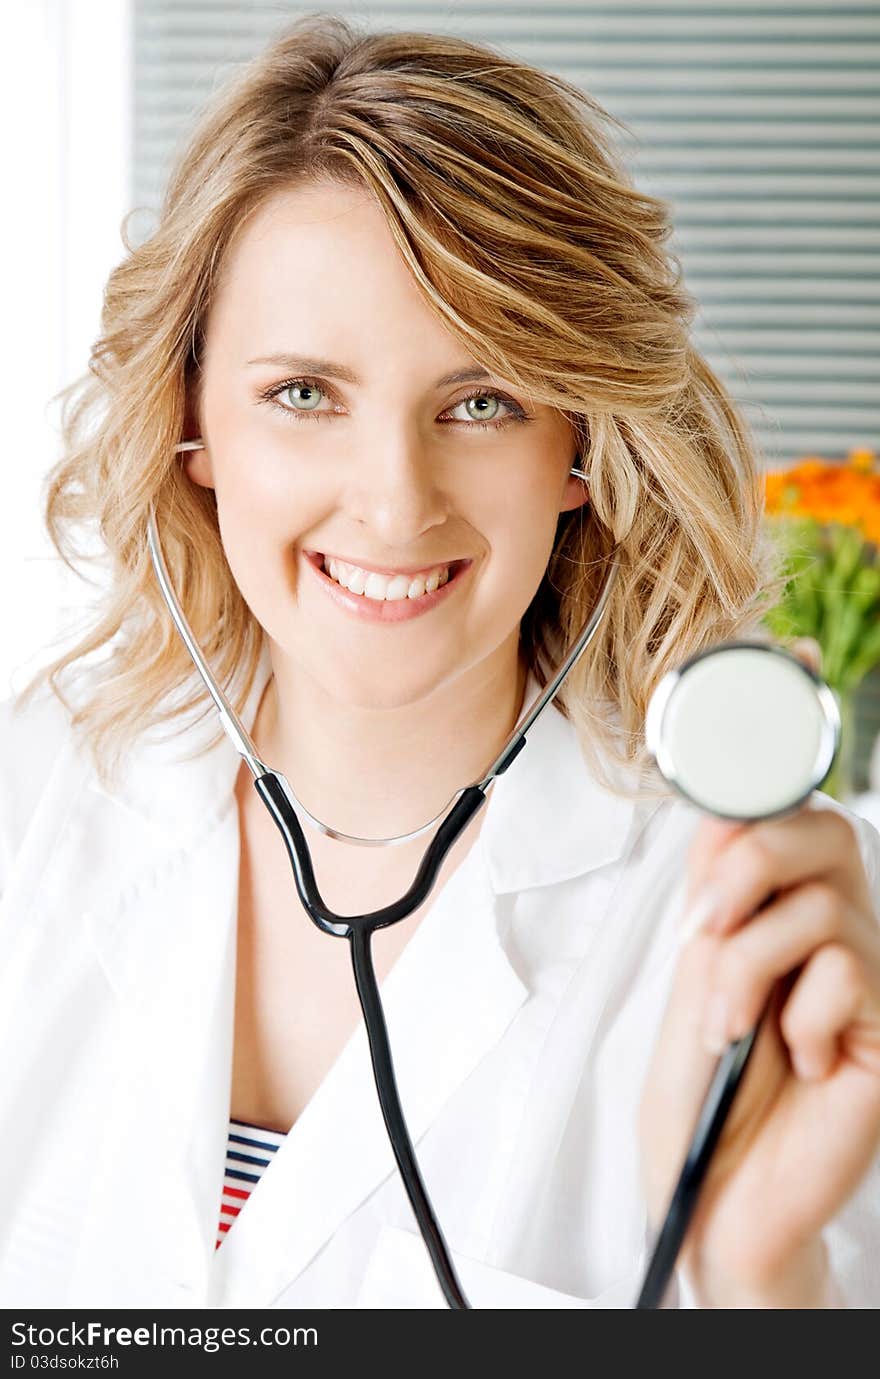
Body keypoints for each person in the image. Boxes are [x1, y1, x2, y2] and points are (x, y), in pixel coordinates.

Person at [1, 14, 879, 1310]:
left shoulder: (765, 927)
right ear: (194, 430)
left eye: (483, 403)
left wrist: (754, 1275)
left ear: (578, 448)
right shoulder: (34, 800)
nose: (394, 504)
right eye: (305, 393)